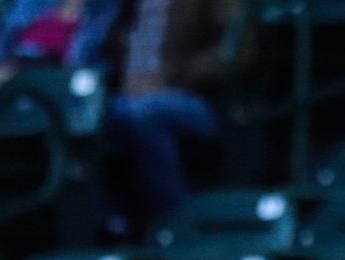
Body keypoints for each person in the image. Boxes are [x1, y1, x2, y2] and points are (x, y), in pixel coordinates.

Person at [100, 0, 254, 232]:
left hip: (200, 101)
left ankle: (174, 223)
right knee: (87, 117)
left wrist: (174, 77)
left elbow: (237, 51)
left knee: (145, 113)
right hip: (127, 98)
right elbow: (111, 42)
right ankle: (106, 224)